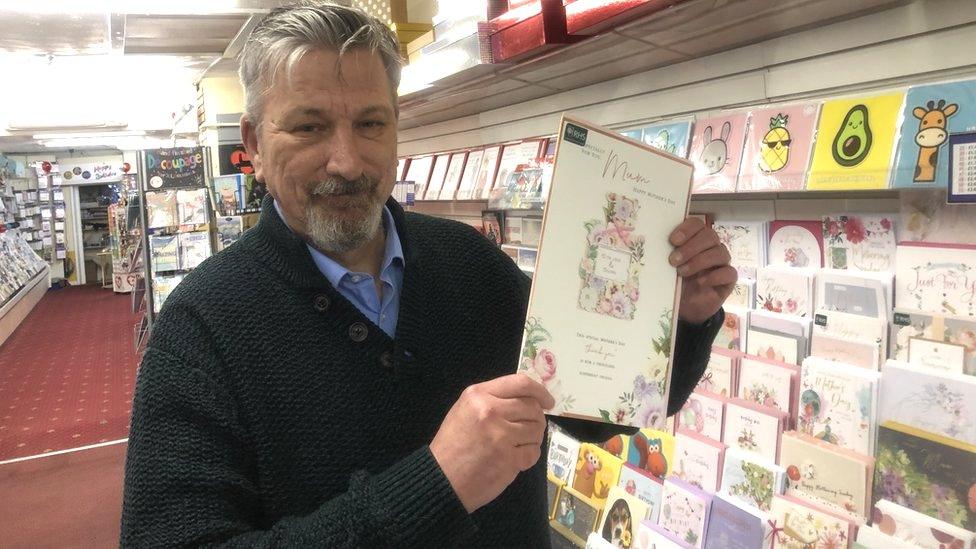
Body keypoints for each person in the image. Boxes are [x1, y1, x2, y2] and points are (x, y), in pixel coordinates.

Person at [120, 2, 736, 547]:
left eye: (370, 123)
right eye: (308, 126)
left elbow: (596, 412)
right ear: (253, 142)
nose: (346, 160)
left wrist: (679, 322)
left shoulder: (475, 268)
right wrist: (436, 486)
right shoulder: (200, 331)